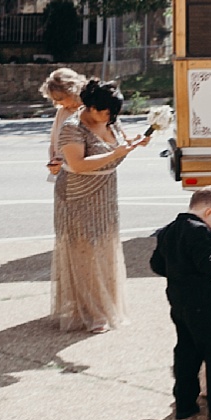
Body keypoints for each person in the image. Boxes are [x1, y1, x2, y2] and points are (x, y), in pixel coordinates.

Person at [51, 79, 145, 333]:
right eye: (105, 111)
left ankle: (105, 306)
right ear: (90, 106)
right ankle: (91, 313)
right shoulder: (72, 128)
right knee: (85, 253)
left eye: (114, 113)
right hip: (77, 194)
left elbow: (120, 146)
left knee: (104, 248)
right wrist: (116, 154)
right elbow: (79, 164)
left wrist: (135, 143)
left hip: (105, 193)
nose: (110, 117)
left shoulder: (110, 120)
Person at [150, 187, 211, 420]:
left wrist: (178, 273)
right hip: (203, 301)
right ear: (209, 211)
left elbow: (156, 264)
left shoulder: (168, 231)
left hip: (178, 300)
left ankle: (185, 402)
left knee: (186, 351)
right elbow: (207, 264)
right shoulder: (198, 232)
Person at [40, 67, 86, 179]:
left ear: (71, 92)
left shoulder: (88, 112)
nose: (56, 103)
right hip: (63, 175)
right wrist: (53, 161)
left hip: (82, 175)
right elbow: (53, 143)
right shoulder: (62, 111)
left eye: (59, 98)